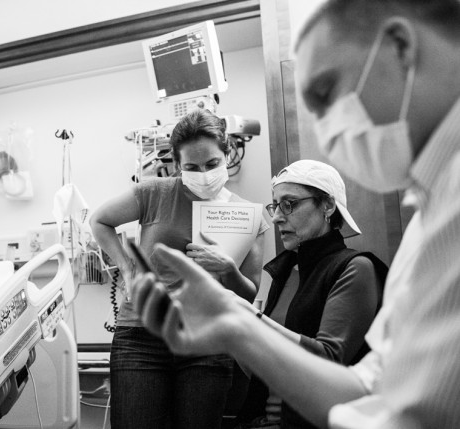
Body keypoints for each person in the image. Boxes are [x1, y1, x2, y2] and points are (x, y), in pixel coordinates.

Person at [132, 1, 460, 428]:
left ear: (399, 45)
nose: (325, 128)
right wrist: (234, 325)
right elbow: (367, 389)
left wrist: (242, 318)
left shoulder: (363, 262)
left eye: (326, 94)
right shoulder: (428, 216)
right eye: (277, 205)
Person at [90, 108, 269, 429]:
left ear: (227, 154)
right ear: (176, 165)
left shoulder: (248, 216)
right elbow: (100, 221)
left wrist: (228, 270)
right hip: (141, 337)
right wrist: (127, 267)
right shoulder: (155, 193)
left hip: (207, 341)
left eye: (212, 164)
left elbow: (250, 290)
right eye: (191, 167)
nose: (203, 173)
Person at [240, 160, 387, 429]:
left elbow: (327, 359)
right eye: (275, 205)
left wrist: (249, 319)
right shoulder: (283, 272)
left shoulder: (355, 268)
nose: (276, 217)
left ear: (327, 206)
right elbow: (268, 363)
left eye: (290, 204)